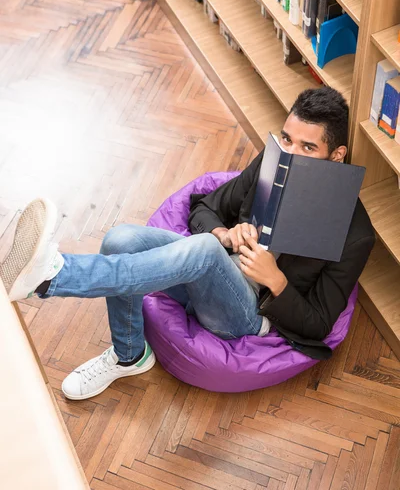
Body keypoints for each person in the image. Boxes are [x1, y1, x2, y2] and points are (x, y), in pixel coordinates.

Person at [1, 87, 375, 401]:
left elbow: (319, 324)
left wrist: (275, 279)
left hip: (250, 315)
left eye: (307, 148)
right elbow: (206, 207)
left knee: (205, 252)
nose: (290, 155)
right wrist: (226, 234)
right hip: (213, 270)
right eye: (287, 139)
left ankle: (53, 276)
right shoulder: (273, 165)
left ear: (336, 155)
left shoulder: (355, 233)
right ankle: (128, 355)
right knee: (122, 238)